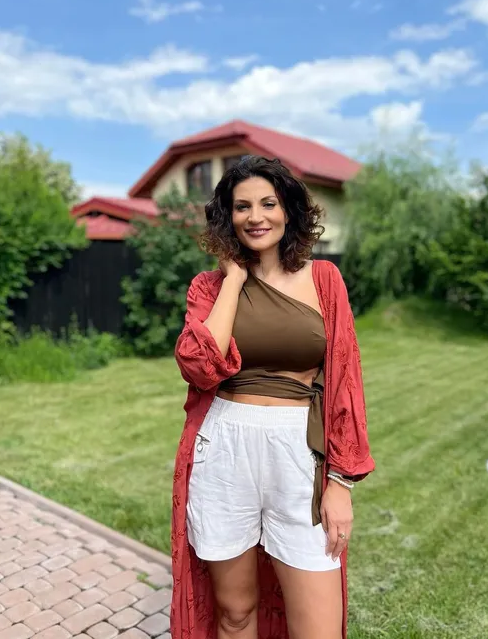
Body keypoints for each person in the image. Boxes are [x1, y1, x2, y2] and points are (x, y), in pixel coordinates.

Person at [171, 155, 374, 639]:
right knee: (235, 612)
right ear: (228, 216)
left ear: (289, 210)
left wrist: (340, 483)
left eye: (268, 203)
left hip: (298, 453)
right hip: (224, 450)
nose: (255, 216)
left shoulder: (324, 280)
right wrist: (234, 279)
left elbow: (345, 380)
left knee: (318, 627)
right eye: (242, 206)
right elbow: (199, 367)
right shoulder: (209, 287)